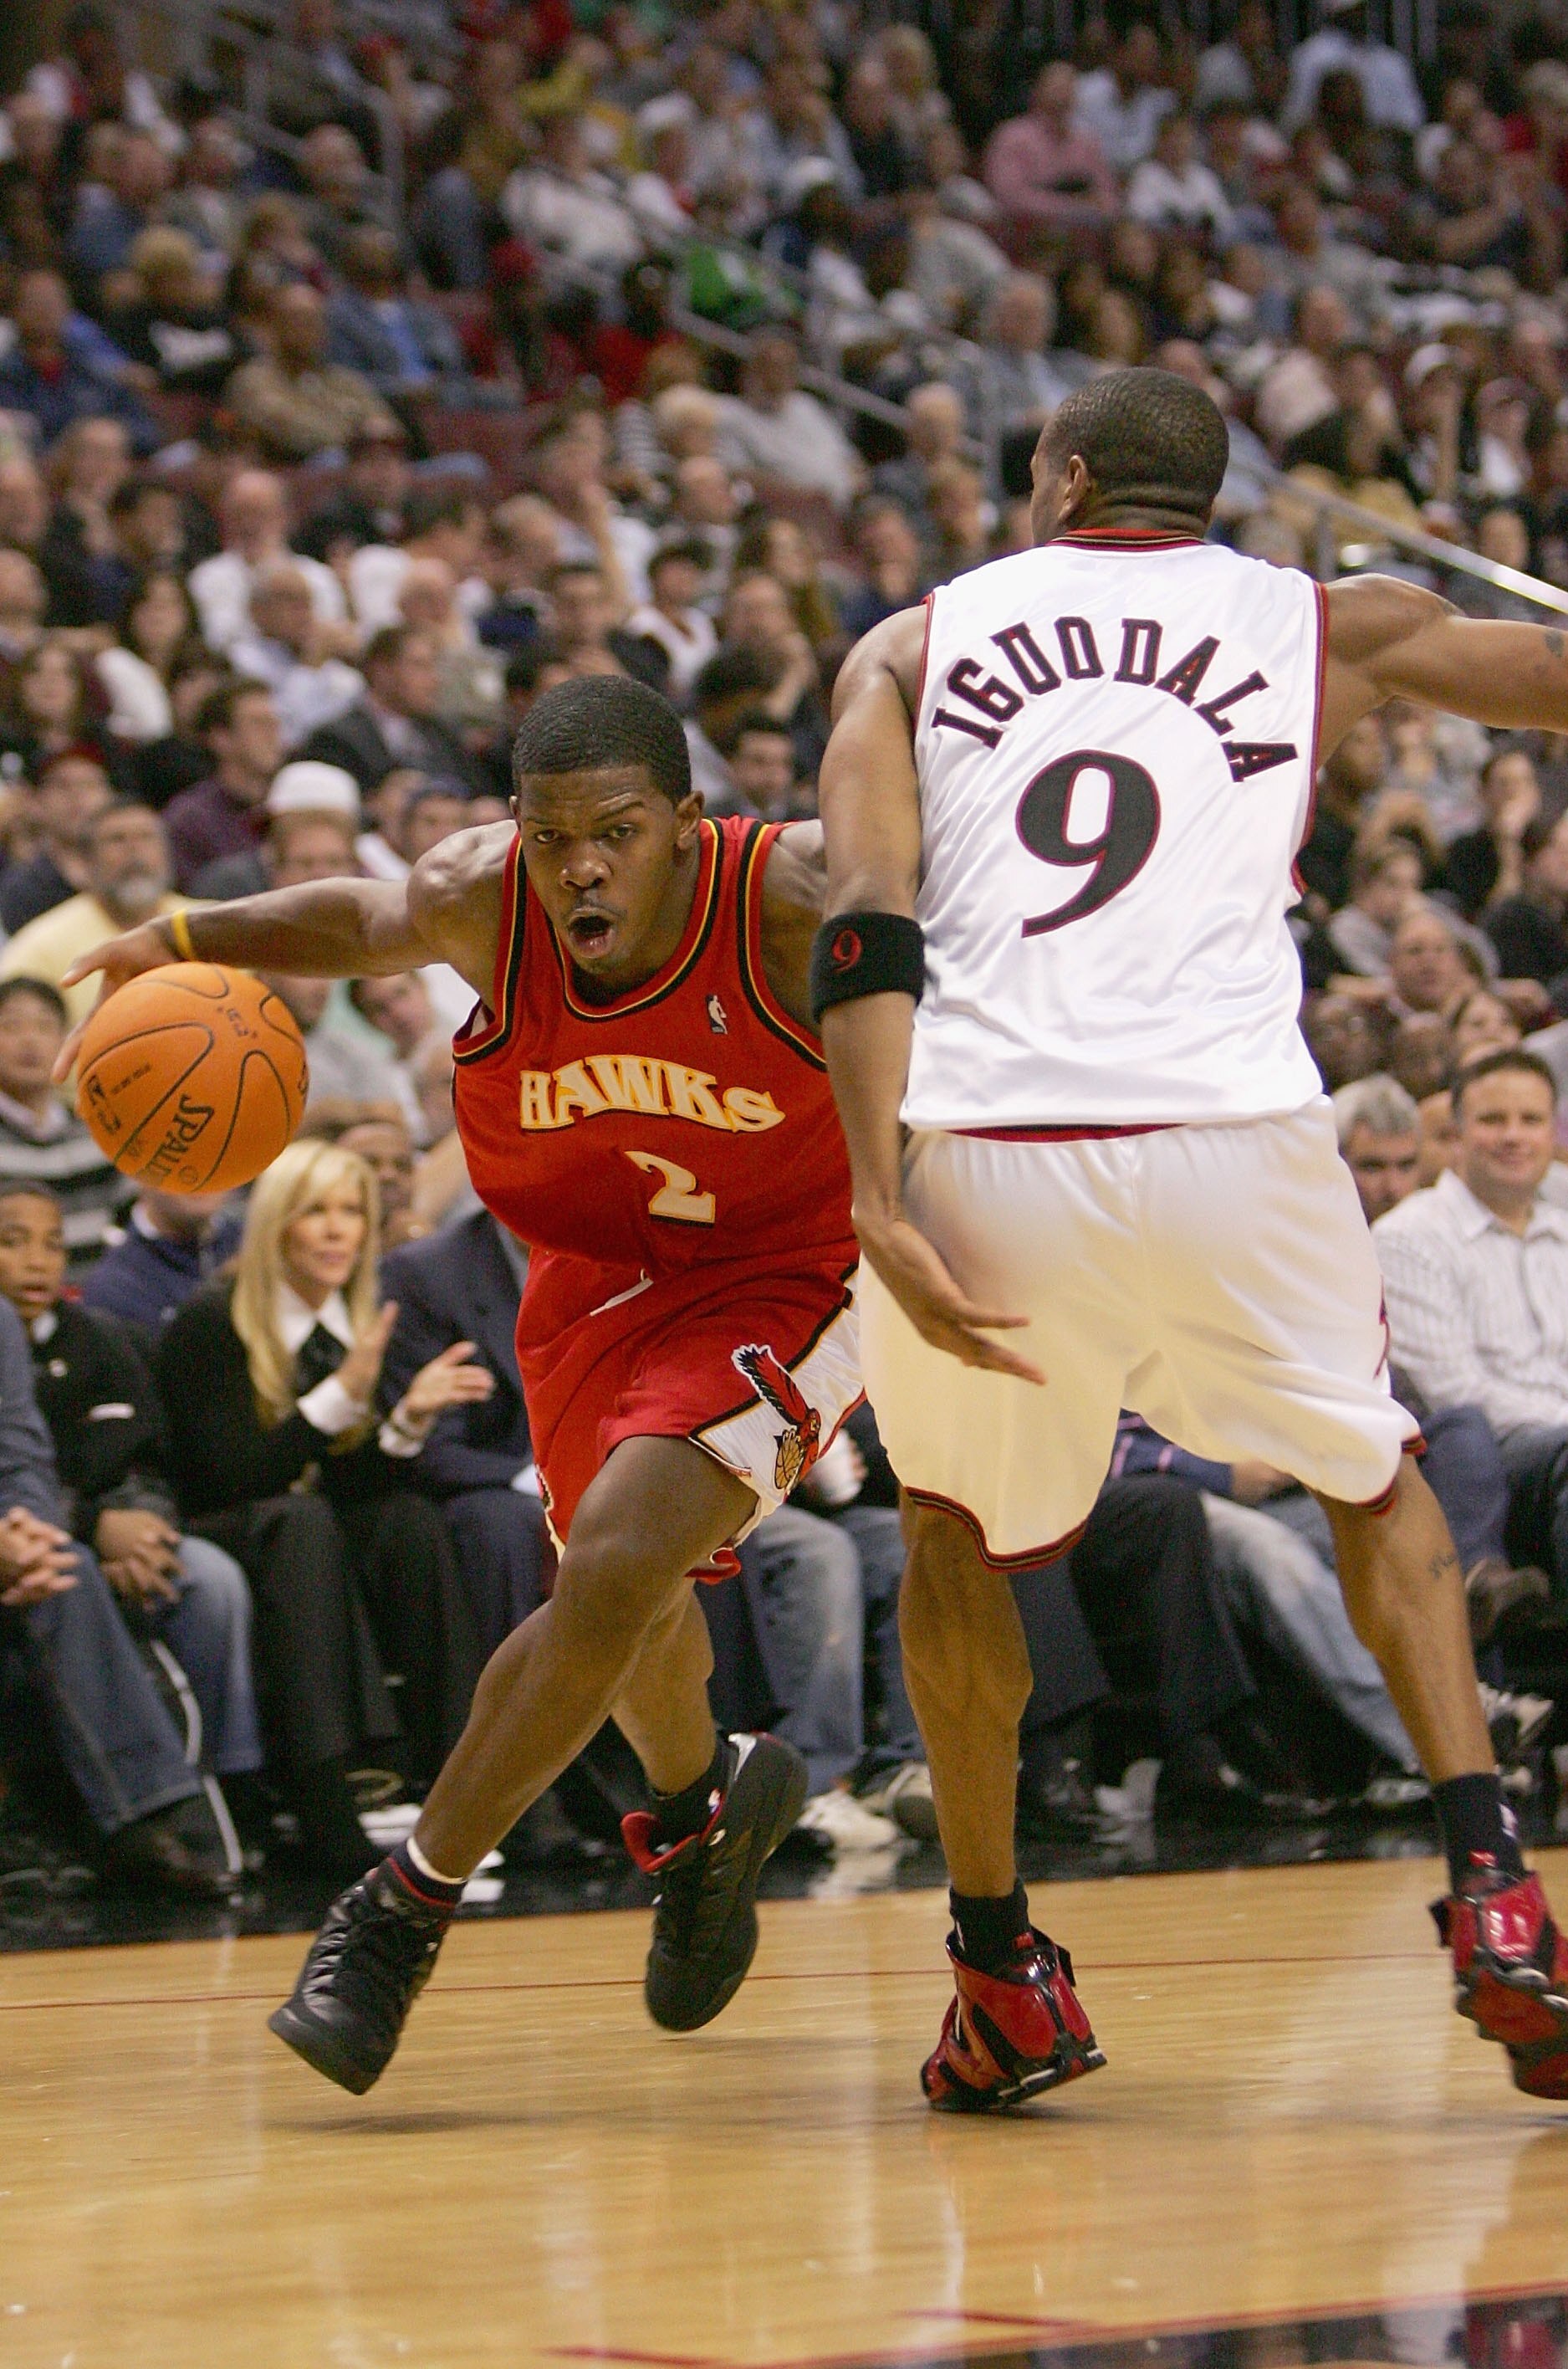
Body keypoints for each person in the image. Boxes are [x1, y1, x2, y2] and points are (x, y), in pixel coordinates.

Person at [813, 366, 1568, 2111]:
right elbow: (1541, 683)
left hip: (993, 1139)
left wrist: (871, 1188)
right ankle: (1492, 1893)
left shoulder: (911, 647)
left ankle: (999, 1971)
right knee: (1369, 1478)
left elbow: (865, 920)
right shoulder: (1320, 620)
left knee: (952, 1528)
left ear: (1057, 479)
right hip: (1233, 1130)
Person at [64, 673, 861, 2094]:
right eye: (550, 837)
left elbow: (967, 926)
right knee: (635, 1605)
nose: (581, 867)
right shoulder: (485, 903)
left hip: (780, 1276)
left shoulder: (786, 896)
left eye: (615, 832)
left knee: (611, 1559)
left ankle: (401, 1907)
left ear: (688, 821)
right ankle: (701, 1812)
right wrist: (182, 931)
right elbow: (362, 918)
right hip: (580, 1292)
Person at [156, 1138, 492, 1870]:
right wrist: (339, 1398)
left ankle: (468, 1789)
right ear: (278, 1224)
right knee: (300, 1524)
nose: (340, 1230)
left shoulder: (357, 1324)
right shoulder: (211, 1322)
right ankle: (327, 1802)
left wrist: (406, 1423)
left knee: (409, 1524)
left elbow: (349, 1487)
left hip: (301, 1528)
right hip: (225, 1527)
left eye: (353, 1212)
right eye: (317, 1212)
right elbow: (230, 1477)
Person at [0, 1179, 263, 1809]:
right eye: (13, 1243)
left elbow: (152, 1454)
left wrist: (144, 1524)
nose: (37, 1261)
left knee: (211, 1581)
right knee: (72, 1570)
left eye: (54, 1245)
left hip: (113, 1533)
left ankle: (230, 1783)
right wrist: (90, 1527)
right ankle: (149, 1807)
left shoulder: (104, 1338)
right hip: (62, 1541)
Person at [0, 976, 131, 1269]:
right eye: (11, 1026)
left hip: (92, 1303)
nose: (29, 1039)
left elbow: (135, 1219)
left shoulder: (97, 1131)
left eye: (45, 1027)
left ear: (66, 1040)